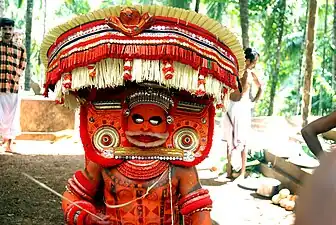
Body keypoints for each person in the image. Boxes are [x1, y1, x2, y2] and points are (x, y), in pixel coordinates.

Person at [39, 5, 245, 225]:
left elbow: (200, 210)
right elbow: (73, 197)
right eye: (138, 119)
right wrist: (87, 216)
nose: (145, 127)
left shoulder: (180, 167)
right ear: (124, 118)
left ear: (168, 124)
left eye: (155, 120)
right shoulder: (102, 160)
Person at [223, 47, 262, 179]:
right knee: (229, 137)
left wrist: (253, 102)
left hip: (243, 108)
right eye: (254, 61)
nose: (255, 64)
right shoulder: (233, 71)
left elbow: (260, 87)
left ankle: (242, 172)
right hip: (231, 106)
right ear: (246, 60)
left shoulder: (251, 74)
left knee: (242, 139)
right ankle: (229, 169)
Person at [0, 18, 27, 153]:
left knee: (12, 118)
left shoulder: (20, 48)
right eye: (5, 29)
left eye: (10, 29)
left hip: (13, 88)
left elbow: (23, 65)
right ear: (1, 30)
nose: (7, 32)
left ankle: (9, 145)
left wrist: (16, 77)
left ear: (13, 30)